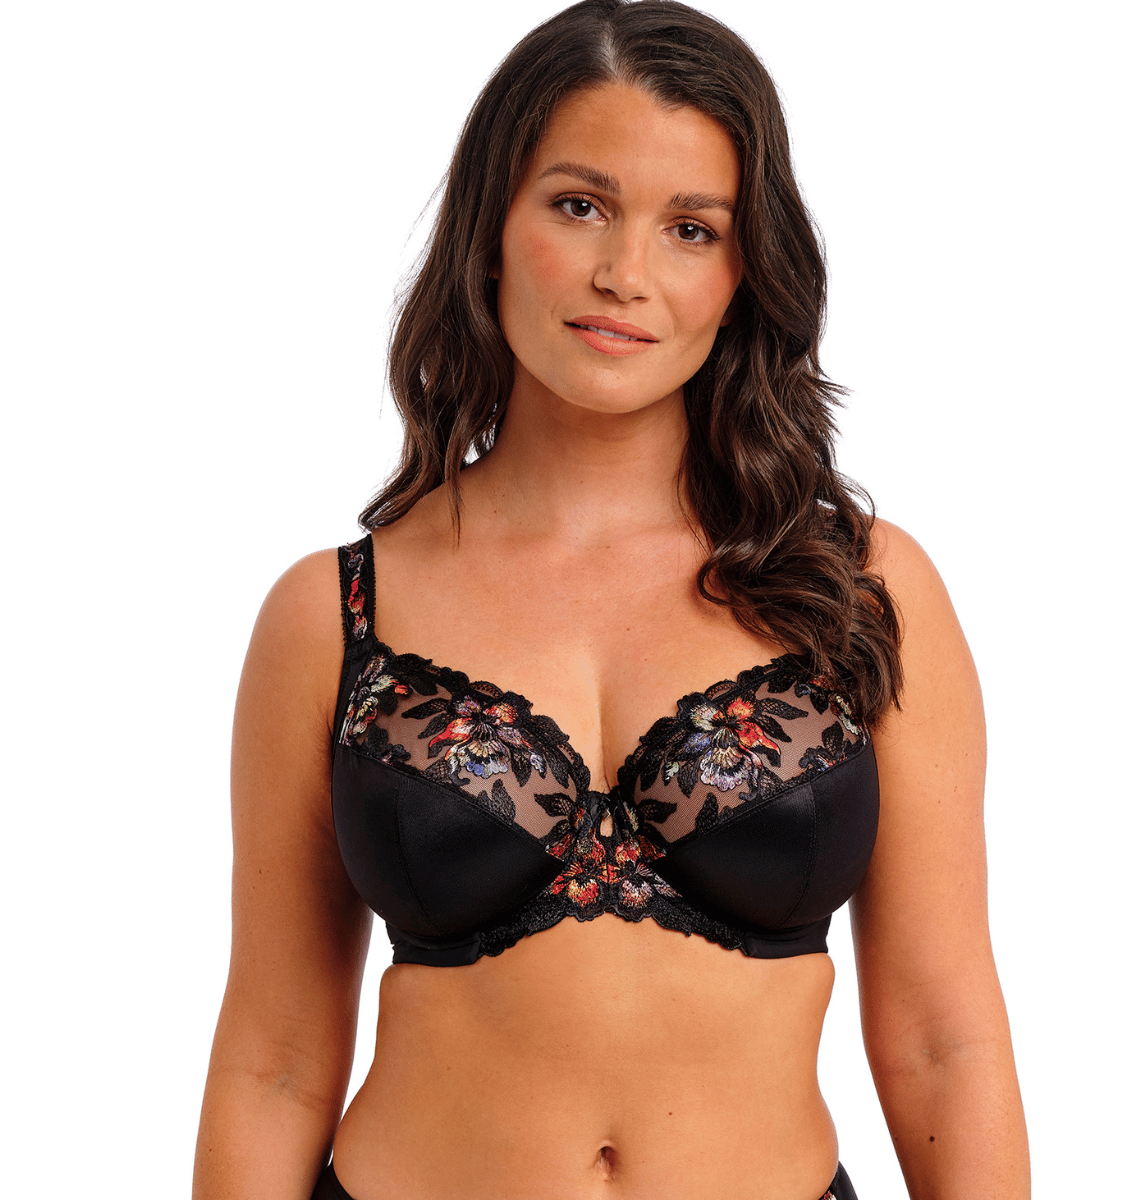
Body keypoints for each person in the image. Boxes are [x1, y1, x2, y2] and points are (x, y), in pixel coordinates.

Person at [193, 2, 1029, 1197]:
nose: (624, 275)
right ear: (492, 226)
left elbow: (946, 1042)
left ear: (744, 272)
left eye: (691, 228)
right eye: (579, 205)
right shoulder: (336, 615)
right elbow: (273, 1065)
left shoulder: (858, 587)